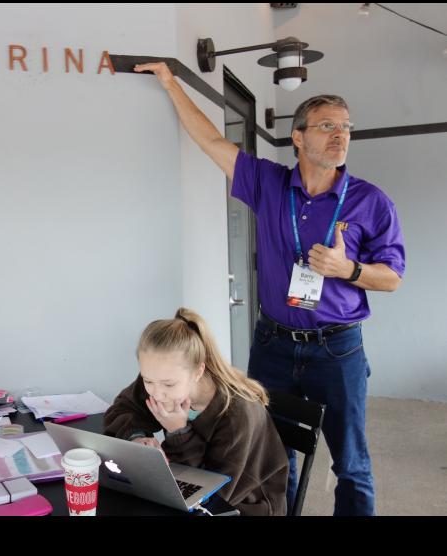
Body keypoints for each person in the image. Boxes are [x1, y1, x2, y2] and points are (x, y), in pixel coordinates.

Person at [133, 62, 405, 516]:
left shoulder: (370, 200)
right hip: (273, 345)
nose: (340, 136)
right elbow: (211, 141)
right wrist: (169, 82)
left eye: (346, 127)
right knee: (274, 457)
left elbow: (393, 277)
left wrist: (348, 269)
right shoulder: (270, 184)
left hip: (337, 350)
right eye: (326, 126)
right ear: (298, 137)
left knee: (351, 464)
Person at [104, 308, 288, 516]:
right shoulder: (161, 378)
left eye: (168, 384)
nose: (157, 393)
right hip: (188, 487)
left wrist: (178, 433)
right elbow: (121, 409)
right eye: (148, 381)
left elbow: (213, 490)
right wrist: (136, 437)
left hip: (243, 505)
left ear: (198, 372)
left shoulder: (238, 413)